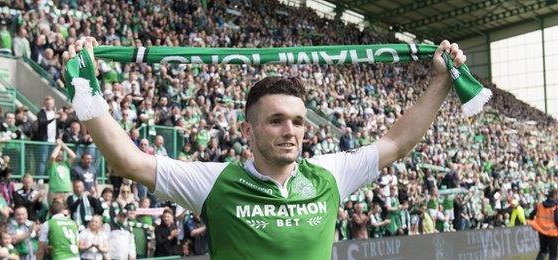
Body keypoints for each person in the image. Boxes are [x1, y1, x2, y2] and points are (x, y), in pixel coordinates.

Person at [62, 37, 468, 259]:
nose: (289, 130)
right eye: (275, 120)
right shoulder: (214, 181)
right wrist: (86, 87)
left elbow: (396, 142)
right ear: (249, 130)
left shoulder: (329, 174)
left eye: (297, 121)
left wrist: (441, 81)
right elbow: (127, 160)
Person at [528, 189, 558, 260]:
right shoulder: (556, 207)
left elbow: (531, 215)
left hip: (541, 231)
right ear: (555, 195)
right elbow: (557, 220)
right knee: (553, 254)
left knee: (543, 251)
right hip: (552, 233)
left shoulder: (540, 205)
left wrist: (535, 224)